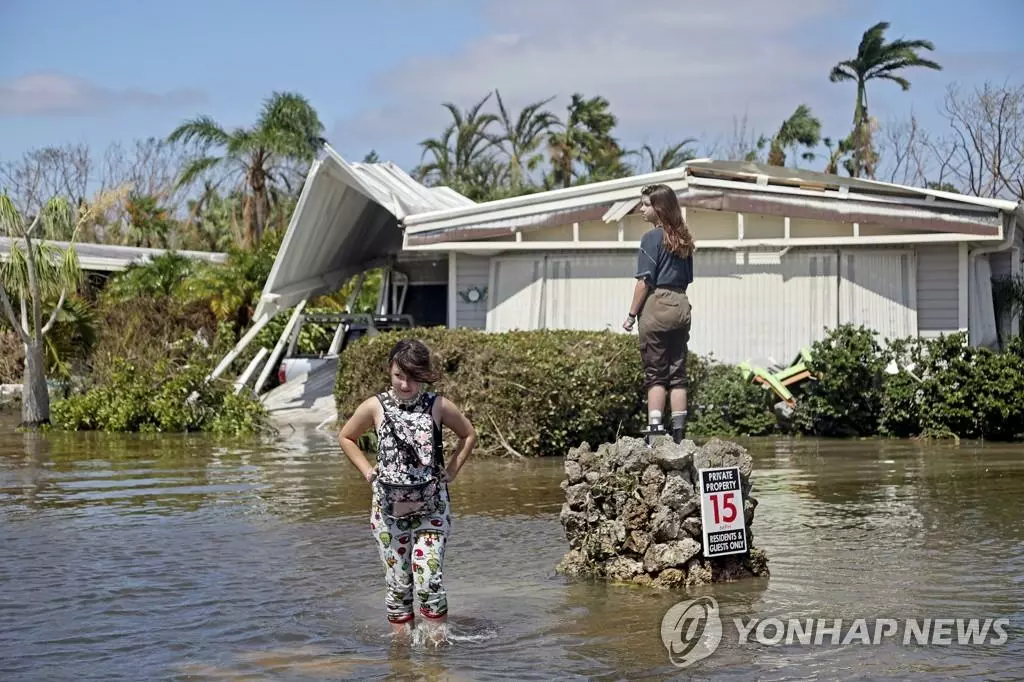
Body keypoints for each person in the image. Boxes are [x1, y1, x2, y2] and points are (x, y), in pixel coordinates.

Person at [338, 338, 477, 641]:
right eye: (399, 375)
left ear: (423, 375)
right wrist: (367, 471)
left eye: (413, 377)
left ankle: (436, 653)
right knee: (399, 584)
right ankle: (401, 658)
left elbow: (468, 434)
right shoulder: (375, 406)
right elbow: (346, 437)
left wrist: (452, 470)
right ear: (389, 370)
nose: (405, 384)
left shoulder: (437, 405)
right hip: (388, 512)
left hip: (432, 508)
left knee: (428, 579)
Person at [622, 183, 696, 445]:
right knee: (678, 374)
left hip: (657, 306)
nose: (641, 209)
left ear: (659, 208)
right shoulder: (684, 238)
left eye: (646, 204)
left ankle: (655, 431)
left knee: (655, 374)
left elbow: (645, 281)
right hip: (681, 304)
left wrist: (631, 316)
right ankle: (679, 432)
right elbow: (687, 280)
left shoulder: (651, 238)